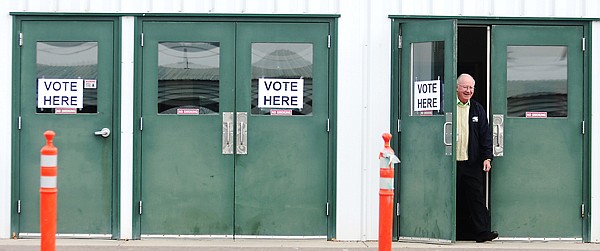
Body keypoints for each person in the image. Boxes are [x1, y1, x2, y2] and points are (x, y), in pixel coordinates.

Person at [455, 73, 498, 242]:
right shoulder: (447, 106)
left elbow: (485, 135)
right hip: (449, 162)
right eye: (465, 87)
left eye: (471, 87)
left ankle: (482, 232)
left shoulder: (478, 109)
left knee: (475, 198)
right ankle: (454, 232)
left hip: (471, 162)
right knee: (454, 197)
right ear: (457, 87)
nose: (468, 90)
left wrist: (487, 157)